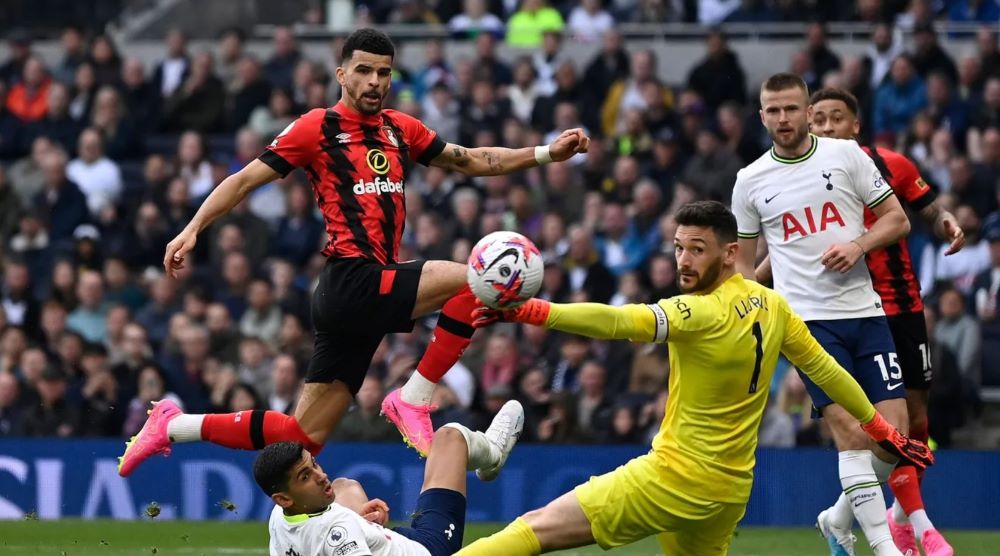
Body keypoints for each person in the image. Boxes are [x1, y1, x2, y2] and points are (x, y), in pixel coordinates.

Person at [117, 28, 588, 477]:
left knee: (300, 437)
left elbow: (473, 159)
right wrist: (192, 228)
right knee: (479, 279)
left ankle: (173, 425)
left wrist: (546, 153)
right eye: (364, 71)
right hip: (351, 280)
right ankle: (414, 397)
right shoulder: (316, 127)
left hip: (366, 293)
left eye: (383, 72)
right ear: (342, 75)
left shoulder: (400, 128)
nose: (374, 81)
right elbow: (243, 180)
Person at [457, 201, 932, 556]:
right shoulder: (773, 304)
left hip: (674, 478)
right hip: (728, 491)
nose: (684, 260)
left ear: (730, 254)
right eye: (679, 248)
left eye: (697, 250)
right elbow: (826, 371)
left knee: (534, 528)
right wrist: (882, 428)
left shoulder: (699, 312)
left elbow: (620, 321)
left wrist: (532, 311)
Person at [731, 73, 913, 556]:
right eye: (773, 110)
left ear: (809, 112)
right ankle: (884, 548)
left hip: (866, 312)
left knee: (894, 437)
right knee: (851, 432)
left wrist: (858, 245)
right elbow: (744, 270)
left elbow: (898, 219)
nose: (783, 118)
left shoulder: (846, 156)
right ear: (762, 116)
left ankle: (836, 519)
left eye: (791, 109)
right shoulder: (750, 180)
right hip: (807, 324)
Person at [810, 87, 961, 556]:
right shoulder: (801, 180)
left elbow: (927, 209)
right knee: (874, 429)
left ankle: (865, 518)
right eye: (820, 119)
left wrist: (946, 221)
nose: (828, 127)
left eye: (837, 118)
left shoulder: (892, 164)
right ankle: (918, 525)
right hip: (845, 313)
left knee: (914, 422)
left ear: (855, 126)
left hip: (902, 306)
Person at [256, 400, 524, 556]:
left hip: (390, 540)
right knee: (451, 436)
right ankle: (493, 455)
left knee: (344, 486)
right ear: (283, 498)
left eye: (314, 464)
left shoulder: (280, 516)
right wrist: (353, 528)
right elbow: (336, 534)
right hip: (428, 548)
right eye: (305, 476)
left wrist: (361, 523)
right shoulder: (338, 530)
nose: (320, 475)